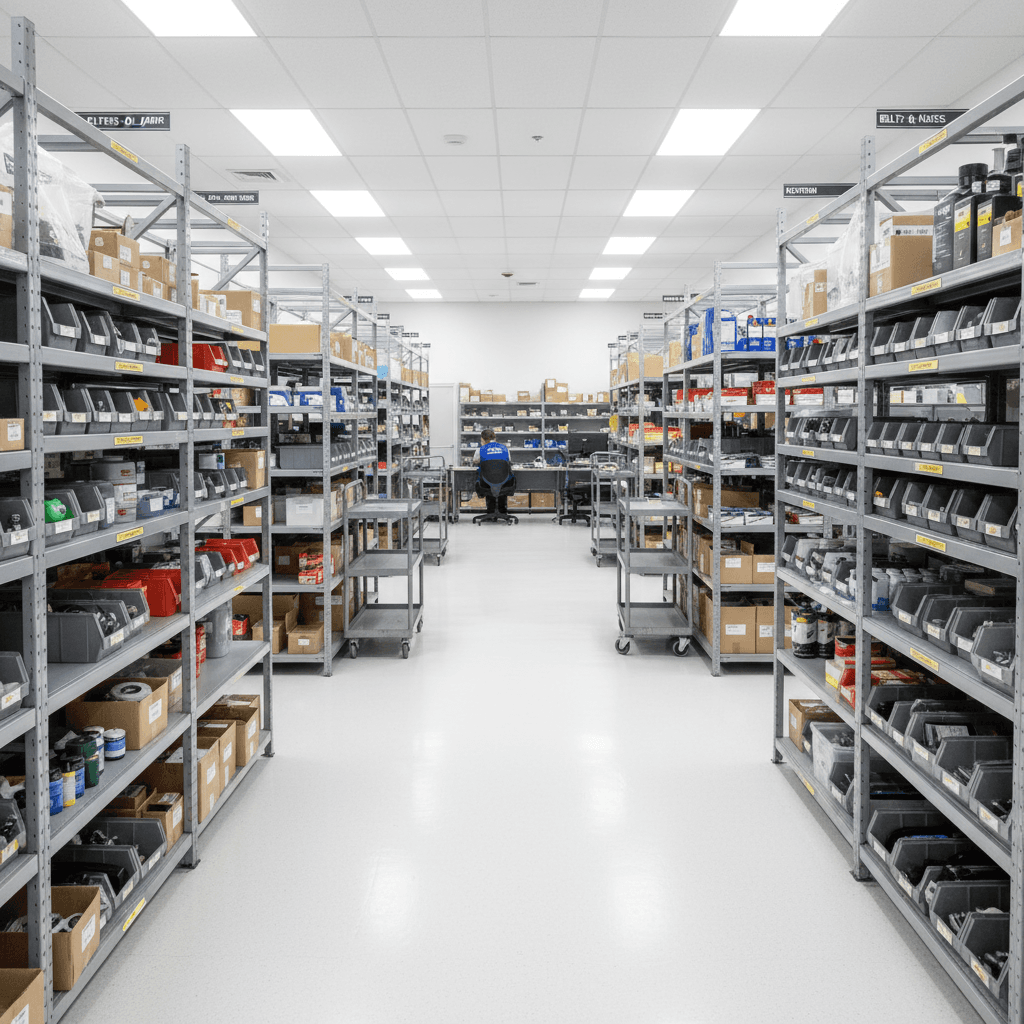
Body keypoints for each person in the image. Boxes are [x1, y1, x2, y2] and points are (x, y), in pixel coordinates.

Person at [473, 428, 513, 515]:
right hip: (504, 481)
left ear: (483, 439)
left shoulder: (480, 450)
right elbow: (508, 461)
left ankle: (490, 512)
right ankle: (503, 511)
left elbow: (475, 461)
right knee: (501, 482)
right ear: (495, 438)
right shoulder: (505, 448)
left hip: (486, 482)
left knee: (488, 481)